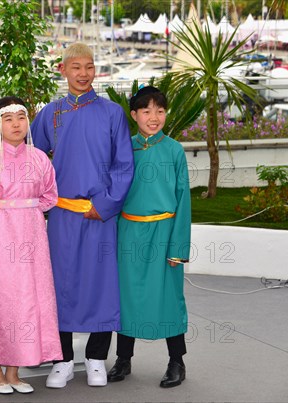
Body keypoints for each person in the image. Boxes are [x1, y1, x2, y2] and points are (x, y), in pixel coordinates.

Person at [30, 43, 134, 388]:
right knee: (61, 286)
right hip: (61, 215)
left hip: (100, 215)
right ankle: (62, 360)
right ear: (63, 70)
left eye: (89, 67)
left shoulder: (112, 113)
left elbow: (124, 166)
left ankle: (96, 359)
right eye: (76, 67)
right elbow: (35, 161)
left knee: (102, 286)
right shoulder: (50, 114)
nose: (83, 74)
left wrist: (104, 205)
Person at [0, 97, 62, 395]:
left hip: (32, 234)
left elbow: (50, 195)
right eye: (8, 118)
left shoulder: (39, 159)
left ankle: (15, 371)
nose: (15, 124)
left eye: (21, 117)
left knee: (28, 299)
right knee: (0, 301)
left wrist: (29, 211)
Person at [106, 86, 191, 388]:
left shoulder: (174, 151)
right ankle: (123, 359)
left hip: (164, 234)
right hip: (129, 233)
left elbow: (183, 202)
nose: (153, 118)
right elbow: (114, 195)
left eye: (160, 111)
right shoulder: (124, 149)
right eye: (146, 111)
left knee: (169, 298)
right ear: (134, 115)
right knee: (126, 297)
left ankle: (176, 362)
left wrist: (178, 247)